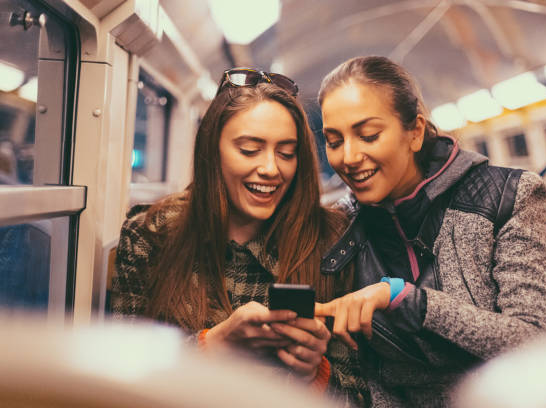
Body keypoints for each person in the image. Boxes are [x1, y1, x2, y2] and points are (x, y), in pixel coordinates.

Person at [314, 56, 546, 407]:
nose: (349, 157)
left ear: (415, 132)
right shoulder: (341, 226)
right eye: (334, 141)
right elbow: (359, 371)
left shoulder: (509, 197)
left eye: (368, 135)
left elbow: (540, 342)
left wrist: (406, 300)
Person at [112, 68, 367, 406]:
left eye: (287, 153)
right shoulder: (152, 234)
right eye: (249, 150)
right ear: (212, 151)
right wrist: (209, 346)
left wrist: (313, 376)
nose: (271, 168)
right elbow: (119, 375)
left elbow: (360, 397)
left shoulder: (332, 241)